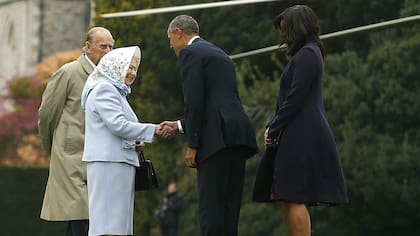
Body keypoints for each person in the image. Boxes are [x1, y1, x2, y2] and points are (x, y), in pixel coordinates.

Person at [252, 5, 349, 236]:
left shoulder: (308, 53)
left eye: (285, 29)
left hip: (302, 134)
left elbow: (296, 97)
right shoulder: (306, 54)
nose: (283, 36)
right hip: (294, 133)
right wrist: (273, 125)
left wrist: (273, 127)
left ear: (298, 28)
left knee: (294, 196)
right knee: (285, 197)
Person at [161, 15, 258, 236]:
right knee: (229, 209)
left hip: (215, 141)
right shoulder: (220, 53)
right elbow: (216, 103)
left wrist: (193, 144)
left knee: (211, 209)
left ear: (179, 33)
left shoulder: (189, 53)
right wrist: (179, 125)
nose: (171, 46)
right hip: (237, 135)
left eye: (170, 40)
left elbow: (195, 102)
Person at [81, 46, 164, 236]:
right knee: (109, 224)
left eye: (135, 68)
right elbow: (118, 125)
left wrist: (135, 141)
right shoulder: (104, 89)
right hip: (109, 164)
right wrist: (153, 129)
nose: (133, 72)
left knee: (117, 223)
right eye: (129, 67)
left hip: (117, 162)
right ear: (115, 66)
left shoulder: (117, 92)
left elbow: (115, 130)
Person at [38, 26, 114, 236]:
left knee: (88, 218)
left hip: (99, 156)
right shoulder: (68, 72)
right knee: (82, 216)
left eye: (110, 47)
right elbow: (47, 114)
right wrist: (52, 146)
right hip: (72, 156)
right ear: (87, 47)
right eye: (102, 47)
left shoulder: (109, 78)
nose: (107, 52)